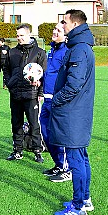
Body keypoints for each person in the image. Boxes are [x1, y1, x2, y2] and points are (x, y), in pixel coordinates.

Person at [50, 10, 95, 215]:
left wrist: (55, 100)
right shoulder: (80, 47)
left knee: (76, 158)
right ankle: (85, 199)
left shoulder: (79, 50)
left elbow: (73, 86)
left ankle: (78, 207)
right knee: (81, 157)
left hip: (73, 114)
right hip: (77, 112)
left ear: (75, 24)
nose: (62, 24)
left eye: (64, 21)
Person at [3, 24, 47, 163]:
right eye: (17, 35)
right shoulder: (12, 52)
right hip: (15, 94)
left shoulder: (39, 52)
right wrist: (9, 84)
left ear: (29, 35)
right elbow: (6, 69)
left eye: (22, 35)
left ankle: (37, 151)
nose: (19, 38)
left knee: (34, 124)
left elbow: (43, 75)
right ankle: (17, 150)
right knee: (16, 123)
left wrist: (40, 92)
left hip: (31, 95)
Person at [40, 22, 70, 182]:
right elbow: (49, 73)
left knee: (59, 135)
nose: (54, 32)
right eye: (54, 29)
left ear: (65, 36)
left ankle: (67, 168)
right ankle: (58, 164)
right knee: (46, 133)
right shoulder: (51, 50)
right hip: (46, 99)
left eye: (59, 30)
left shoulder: (67, 52)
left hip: (57, 100)